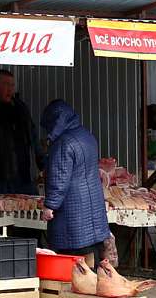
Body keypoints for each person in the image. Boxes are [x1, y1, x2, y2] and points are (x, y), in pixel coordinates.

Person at [39, 99, 111, 265]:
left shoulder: (63, 143)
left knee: (72, 258)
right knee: (91, 254)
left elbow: (60, 177)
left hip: (73, 208)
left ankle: (78, 287)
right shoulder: (87, 135)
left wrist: (50, 205)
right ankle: (93, 283)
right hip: (92, 201)